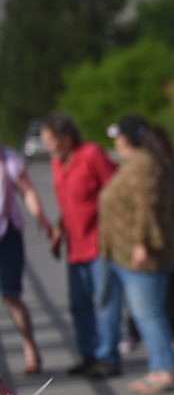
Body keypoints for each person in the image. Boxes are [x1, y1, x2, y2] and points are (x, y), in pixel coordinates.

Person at [97, 114, 174, 395]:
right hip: (123, 252)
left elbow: (146, 207)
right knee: (145, 312)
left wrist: (140, 243)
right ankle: (158, 369)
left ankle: (165, 371)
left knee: (149, 313)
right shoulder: (137, 161)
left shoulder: (144, 163)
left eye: (120, 136)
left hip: (140, 254)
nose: (116, 142)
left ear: (131, 138)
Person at [39, 113, 118, 376]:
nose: (47, 147)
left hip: (99, 241)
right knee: (79, 302)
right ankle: (88, 353)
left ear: (67, 138)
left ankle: (107, 357)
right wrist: (59, 229)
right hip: (75, 244)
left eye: (50, 141)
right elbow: (69, 203)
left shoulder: (90, 154)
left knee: (105, 300)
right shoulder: (56, 163)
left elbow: (115, 189)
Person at [0, 138, 53, 375]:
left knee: (11, 296)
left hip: (7, 233)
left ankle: (30, 348)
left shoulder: (9, 159)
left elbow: (26, 190)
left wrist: (40, 217)